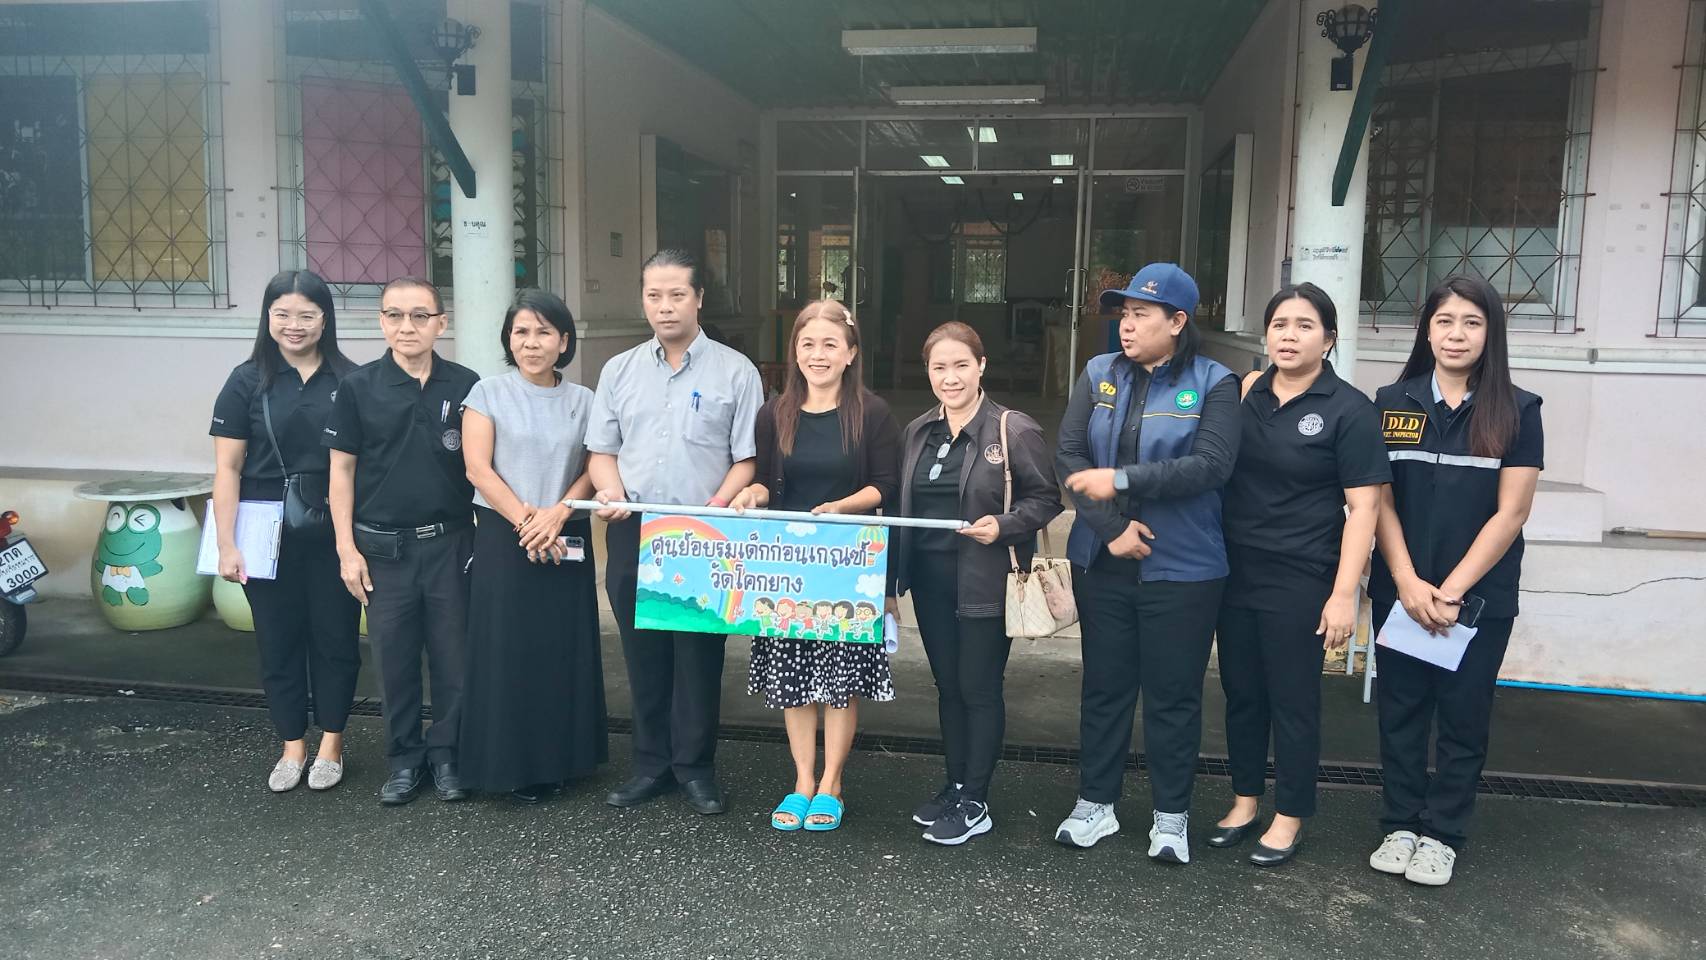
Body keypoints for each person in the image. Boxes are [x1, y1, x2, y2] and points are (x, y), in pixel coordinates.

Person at [1053, 262, 1239, 864]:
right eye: (1124, 314)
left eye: (1141, 314)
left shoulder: (1215, 382)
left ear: (1177, 322)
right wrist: (1111, 529)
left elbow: (1210, 466)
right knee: (1104, 688)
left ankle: (1171, 815)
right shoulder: (1098, 372)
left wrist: (1122, 479)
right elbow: (1069, 457)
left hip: (1183, 569)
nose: (1126, 326)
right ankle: (1096, 803)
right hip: (1103, 562)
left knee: (1173, 695)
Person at [1366, 275, 1543, 887]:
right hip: (1401, 590)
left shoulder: (1518, 410)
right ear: (1427, 330)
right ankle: (1400, 824)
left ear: (1491, 333)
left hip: (1477, 600)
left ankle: (1442, 834)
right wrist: (1407, 581)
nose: (1456, 334)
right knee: (1401, 711)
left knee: (1464, 717)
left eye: (1472, 322)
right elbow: (1378, 500)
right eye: (1444, 321)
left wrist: (1450, 591)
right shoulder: (1392, 402)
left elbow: (1511, 513)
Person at [1207, 283, 1390, 866]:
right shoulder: (1244, 393)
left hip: (1302, 573)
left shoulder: (1350, 410)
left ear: (1329, 339)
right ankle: (1244, 800)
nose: (1289, 336)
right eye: (1279, 324)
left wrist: (1343, 594)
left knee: (1292, 698)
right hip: (1235, 567)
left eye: (1305, 325)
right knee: (1242, 692)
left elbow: (1365, 507)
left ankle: (1290, 814)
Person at [587, 249, 764, 816]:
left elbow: (747, 458)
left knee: (698, 656)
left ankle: (695, 768)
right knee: (643, 654)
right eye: (654, 296)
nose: (665, 307)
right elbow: (602, 451)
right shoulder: (618, 371)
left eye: (677, 295)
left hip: (701, 532)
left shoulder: (736, 372)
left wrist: (717, 505)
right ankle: (649, 765)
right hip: (634, 529)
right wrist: (610, 491)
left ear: (699, 299)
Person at [728, 299, 902, 832]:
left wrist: (843, 507)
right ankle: (802, 780)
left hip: (847, 565)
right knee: (794, 678)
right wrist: (751, 495)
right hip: (789, 567)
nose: (818, 354)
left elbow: (886, 485)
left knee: (838, 681)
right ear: (795, 351)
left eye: (830, 344)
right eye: (807, 344)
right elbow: (766, 479)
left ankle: (832, 783)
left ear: (850, 353)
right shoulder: (773, 412)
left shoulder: (872, 413)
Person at [891, 321, 1062, 846]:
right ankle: (956, 784)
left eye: (961, 365)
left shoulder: (1013, 429)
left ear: (981, 366)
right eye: (939, 367)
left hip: (986, 581)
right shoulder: (917, 430)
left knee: (979, 688)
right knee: (948, 687)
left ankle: (976, 800)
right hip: (930, 583)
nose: (951, 377)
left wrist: (1006, 525)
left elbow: (1046, 498)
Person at [324, 276, 480, 806]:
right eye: (394, 315)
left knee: (454, 657)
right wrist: (346, 549)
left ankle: (448, 755)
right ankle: (405, 759)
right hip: (383, 551)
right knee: (393, 661)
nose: (406, 326)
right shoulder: (358, 387)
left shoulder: (466, 385)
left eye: (419, 316)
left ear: (441, 323)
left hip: (451, 543)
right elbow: (341, 471)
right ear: (381, 322)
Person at [210, 269, 361, 793]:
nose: (293, 325)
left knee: (336, 638)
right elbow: (227, 468)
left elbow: (361, 464)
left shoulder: (349, 379)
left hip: (332, 525)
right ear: (267, 317)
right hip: (262, 528)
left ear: (325, 319)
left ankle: (332, 744)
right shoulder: (245, 380)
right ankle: (292, 745)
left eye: (306, 315)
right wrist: (226, 542)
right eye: (282, 314)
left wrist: (354, 543)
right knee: (277, 641)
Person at [457, 290, 608, 803]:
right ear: (508, 340)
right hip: (506, 535)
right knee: (508, 647)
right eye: (520, 332)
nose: (531, 342)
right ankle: (510, 764)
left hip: (565, 529)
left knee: (561, 647)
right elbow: (478, 469)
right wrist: (528, 522)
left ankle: (564, 759)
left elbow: (594, 466)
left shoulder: (586, 400)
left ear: (564, 341)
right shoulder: (487, 393)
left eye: (544, 332)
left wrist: (558, 513)